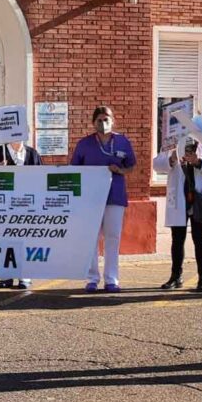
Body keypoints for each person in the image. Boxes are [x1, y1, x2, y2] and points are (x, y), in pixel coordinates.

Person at [71, 106, 136, 293]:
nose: (103, 123)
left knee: (112, 238)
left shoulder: (122, 142)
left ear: (113, 121)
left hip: (115, 196)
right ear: (93, 123)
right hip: (90, 198)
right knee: (91, 238)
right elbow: (75, 170)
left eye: (106, 119)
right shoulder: (84, 144)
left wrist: (120, 171)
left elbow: (131, 166)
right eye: (99, 120)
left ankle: (111, 279)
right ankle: (92, 279)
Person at [153, 138, 202, 293]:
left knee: (199, 237)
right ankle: (176, 277)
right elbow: (157, 165)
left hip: (199, 197)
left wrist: (199, 162)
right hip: (179, 198)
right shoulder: (172, 140)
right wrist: (172, 158)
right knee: (177, 238)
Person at [0, 140, 42, 289]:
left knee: (25, 239)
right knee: (5, 238)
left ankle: (25, 276)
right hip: (4, 205)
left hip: (27, 204)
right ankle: (6, 275)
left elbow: (41, 178)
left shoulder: (32, 154)